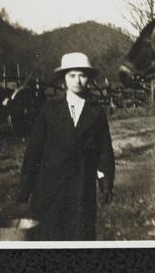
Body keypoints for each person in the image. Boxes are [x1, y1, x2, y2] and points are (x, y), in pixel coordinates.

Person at [17, 52, 115, 241]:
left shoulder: (96, 112)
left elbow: (103, 151)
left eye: (82, 75)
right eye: (71, 75)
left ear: (89, 78)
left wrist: (106, 183)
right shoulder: (49, 109)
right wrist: (25, 188)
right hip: (49, 189)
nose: (77, 80)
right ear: (63, 79)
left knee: (80, 235)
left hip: (81, 189)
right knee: (50, 236)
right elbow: (34, 151)